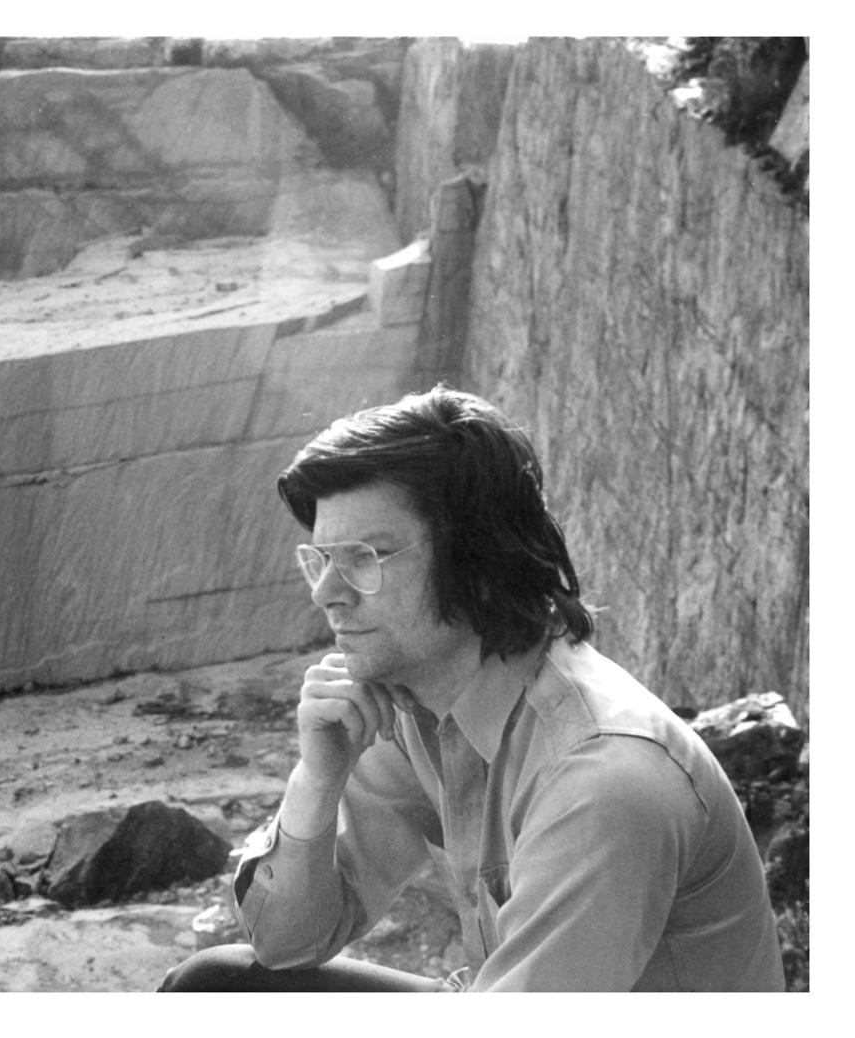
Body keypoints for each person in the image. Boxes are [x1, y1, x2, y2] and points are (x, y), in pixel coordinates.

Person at [160, 386, 783, 992]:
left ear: (479, 559)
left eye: (364, 557)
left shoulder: (601, 781)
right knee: (214, 986)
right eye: (320, 560)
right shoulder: (418, 702)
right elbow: (286, 942)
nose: (327, 592)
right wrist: (316, 781)